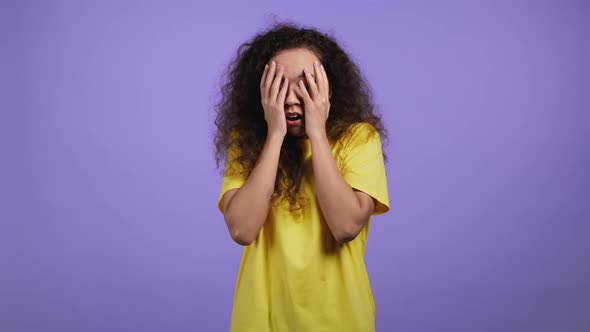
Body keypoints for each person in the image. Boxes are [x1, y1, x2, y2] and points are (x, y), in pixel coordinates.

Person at [213, 22, 391, 332]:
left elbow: (346, 226)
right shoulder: (247, 141)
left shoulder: (360, 139)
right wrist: (276, 133)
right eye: (280, 84)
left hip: (341, 320)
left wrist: (317, 133)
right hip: (261, 321)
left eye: (307, 83)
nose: (293, 98)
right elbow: (242, 229)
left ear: (329, 88)